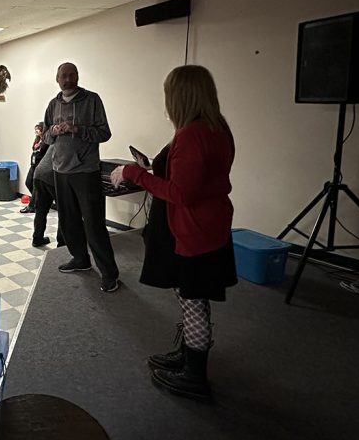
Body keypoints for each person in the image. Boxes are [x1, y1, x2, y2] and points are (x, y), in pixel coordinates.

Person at [112, 65, 237, 400]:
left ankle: (194, 377)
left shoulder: (192, 134)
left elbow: (181, 194)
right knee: (192, 296)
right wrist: (155, 169)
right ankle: (188, 355)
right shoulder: (217, 128)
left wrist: (134, 173)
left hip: (194, 230)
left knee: (192, 300)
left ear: (180, 96)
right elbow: (192, 179)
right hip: (211, 226)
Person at [42, 62, 120, 292]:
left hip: (86, 171)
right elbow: (46, 137)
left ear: (77, 76)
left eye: (71, 75)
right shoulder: (52, 104)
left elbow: (104, 133)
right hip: (60, 170)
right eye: (63, 76)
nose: (67, 79)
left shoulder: (92, 100)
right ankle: (80, 259)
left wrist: (76, 129)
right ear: (57, 79)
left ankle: (109, 273)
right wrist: (53, 132)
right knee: (68, 221)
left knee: (94, 224)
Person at [30, 146, 65, 249]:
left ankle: (37, 238)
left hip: (39, 174)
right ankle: (62, 243)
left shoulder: (55, 140)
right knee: (64, 211)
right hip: (52, 176)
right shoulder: (69, 143)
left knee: (41, 210)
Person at [22, 122, 48, 213]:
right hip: (33, 164)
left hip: (40, 166)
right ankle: (39, 200)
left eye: (38, 128)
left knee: (36, 186)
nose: (36, 131)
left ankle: (32, 206)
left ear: (43, 130)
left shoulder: (46, 141)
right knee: (28, 182)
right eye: (35, 129)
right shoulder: (37, 140)